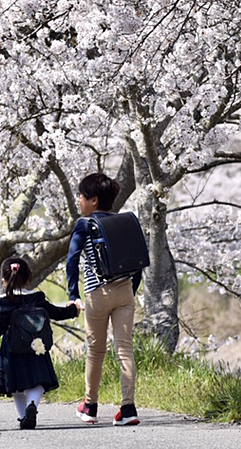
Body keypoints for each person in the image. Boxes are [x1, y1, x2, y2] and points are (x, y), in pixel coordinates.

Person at [66, 173, 142, 426]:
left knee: (96, 352)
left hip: (97, 294)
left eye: (82, 196)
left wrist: (73, 294)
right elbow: (138, 261)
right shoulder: (126, 222)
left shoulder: (85, 224)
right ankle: (128, 409)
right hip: (125, 292)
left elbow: (72, 259)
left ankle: (90, 406)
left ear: (94, 200)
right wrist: (131, 289)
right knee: (124, 349)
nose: (79, 200)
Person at [0, 257, 79, 429]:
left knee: (16, 388)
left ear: (4, 280)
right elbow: (55, 312)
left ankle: (23, 417)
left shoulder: (3, 301)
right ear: (29, 278)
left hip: (12, 350)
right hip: (36, 347)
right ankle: (32, 405)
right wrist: (73, 310)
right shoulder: (37, 297)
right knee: (38, 383)